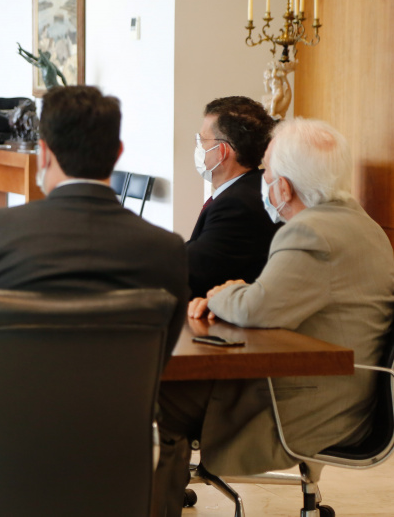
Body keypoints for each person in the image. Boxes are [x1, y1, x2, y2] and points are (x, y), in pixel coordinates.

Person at [0, 85, 190, 516]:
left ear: (45, 153)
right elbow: (155, 364)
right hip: (106, 471)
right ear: (118, 152)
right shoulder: (166, 250)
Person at [153, 118, 394, 516]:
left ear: (283, 187)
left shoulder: (312, 232)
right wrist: (242, 294)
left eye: (267, 172)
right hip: (352, 396)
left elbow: (254, 308)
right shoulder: (362, 225)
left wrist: (222, 294)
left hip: (308, 406)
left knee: (159, 394)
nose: (262, 181)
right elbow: (271, 300)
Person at [186, 96, 281, 298]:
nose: (199, 147)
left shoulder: (237, 204)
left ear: (221, 151)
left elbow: (194, 272)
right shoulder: (252, 187)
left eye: (202, 141)